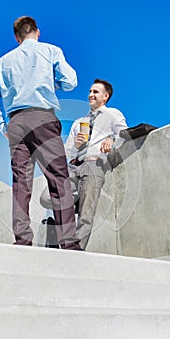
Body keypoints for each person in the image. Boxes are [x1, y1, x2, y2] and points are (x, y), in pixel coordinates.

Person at [0, 16, 81, 250]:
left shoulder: (3, 61)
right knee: (59, 178)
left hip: (16, 122)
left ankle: (23, 239)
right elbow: (71, 82)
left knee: (21, 182)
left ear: (17, 37)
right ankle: (68, 241)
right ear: (37, 32)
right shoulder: (51, 50)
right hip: (43, 117)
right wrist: (51, 84)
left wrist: (3, 125)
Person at [40, 79, 128, 250]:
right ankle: (64, 218)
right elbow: (68, 151)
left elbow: (124, 135)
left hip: (94, 165)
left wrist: (112, 139)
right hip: (73, 166)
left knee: (86, 212)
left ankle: (75, 249)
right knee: (47, 198)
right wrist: (76, 145)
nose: (90, 95)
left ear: (105, 96)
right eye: (90, 91)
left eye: (95, 92)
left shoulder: (113, 114)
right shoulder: (79, 121)